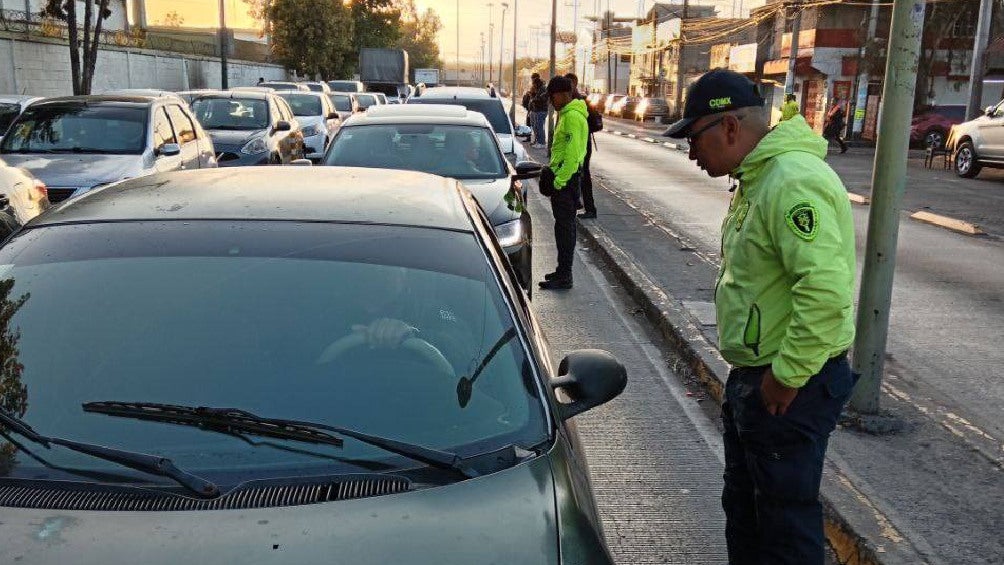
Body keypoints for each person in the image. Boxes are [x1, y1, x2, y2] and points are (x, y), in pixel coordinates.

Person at [663, 68, 857, 565]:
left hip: (789, 386)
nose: (691, 153)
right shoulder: (759, 177)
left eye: (694, 138)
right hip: (759, 377)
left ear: (729, 127)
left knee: (783, 526)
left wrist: (786, 377)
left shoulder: (791, 181)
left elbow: (825, 292)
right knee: (749, 511)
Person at [538, 76, 588, 291]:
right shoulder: (566, 114)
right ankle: (561, 270)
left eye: (552, 96)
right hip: (564, 182)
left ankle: (565, 275)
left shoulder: (573, 118)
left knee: (566, 230)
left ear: (563, 94)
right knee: (561, 229)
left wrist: (559, 183)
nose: (551, 101)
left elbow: (573, 155)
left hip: (567, 184)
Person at [566, 72, 599, 219]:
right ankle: (576, 203)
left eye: (570, 84)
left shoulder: (582, 101)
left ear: (574, 84)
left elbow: (594, 122)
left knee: (583, 175)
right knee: (574, 173)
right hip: (573, 142)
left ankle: (590, 209)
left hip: (583, 143)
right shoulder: (568, 100)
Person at [528, 75, 549, 148]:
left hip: (541, 110)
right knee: (536, 126)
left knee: (540, 127)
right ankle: (538, 141)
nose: (533, 85)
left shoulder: (542, 89)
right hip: (537, 110)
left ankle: (542, 143)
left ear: (537, 83)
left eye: (534, 84)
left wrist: (533, 99)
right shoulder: (538, 89)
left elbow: (542, 99)